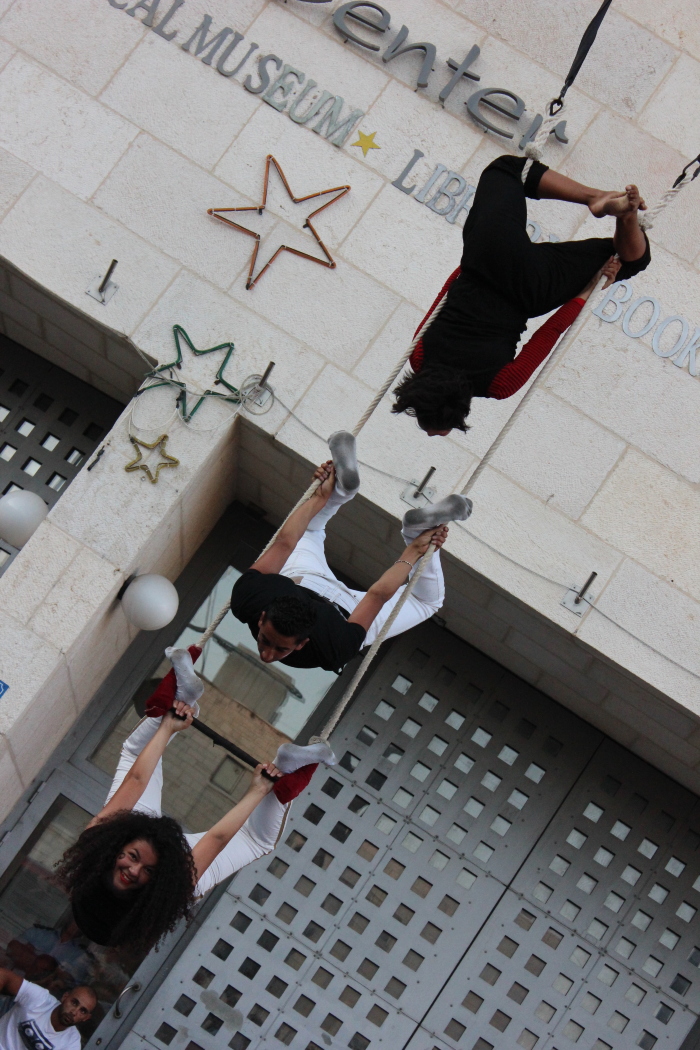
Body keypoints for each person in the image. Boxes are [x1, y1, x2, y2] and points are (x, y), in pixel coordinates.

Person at [57, 653, 331, 955]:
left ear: (106, 861)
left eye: (130, 859)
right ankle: (289, 766)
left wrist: (168, 726)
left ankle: (184, 695)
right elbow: (218, 838)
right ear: (149, 889)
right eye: (143, 872)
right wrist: (260, 788)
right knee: (257, 840)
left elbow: (136, 780)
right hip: (180, 864)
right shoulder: (176, 889)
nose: (134, 870)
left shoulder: (99, 840)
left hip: (134, 829)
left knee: (135, 753)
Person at [391, 154, 651, 435]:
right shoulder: (419, 358)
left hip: (533, 287)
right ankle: (596, 197)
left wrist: (589, 289)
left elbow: (550, 332)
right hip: (487, 257)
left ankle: (626, 216)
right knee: (508, 170)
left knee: (630, 260)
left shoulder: (500, 385)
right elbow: (446, 293)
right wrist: (476, 254)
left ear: (459, 410)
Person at [229, 431, 472, 672]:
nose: (267, 654)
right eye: (272, 644)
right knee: (308, 531)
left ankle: (359, 499)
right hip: (313, 587)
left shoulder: (333, 648)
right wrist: (318, 499)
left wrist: (415, 549)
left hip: (335, 602)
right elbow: (286, 543)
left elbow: (378, 596)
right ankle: (340, 492)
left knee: (425, 601)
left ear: (262, 618)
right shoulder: (249, 598)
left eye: (274, 646)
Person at [0, 967, 96, 1050]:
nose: (74, 1012)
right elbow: (4, 975)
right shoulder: (40, 998)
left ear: (86, 1018)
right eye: (74, 1003)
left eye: (82, 1011)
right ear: (65, 997)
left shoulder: (72, 1043)